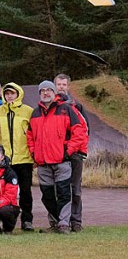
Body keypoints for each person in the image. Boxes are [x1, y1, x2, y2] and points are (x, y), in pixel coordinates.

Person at [27, 80, 85, 234]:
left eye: (49, 90)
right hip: (43, 163)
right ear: (39, 93)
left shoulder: (65, 109)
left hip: (62, 162)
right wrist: (34, 153)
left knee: (64, 193)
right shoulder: (35, 113)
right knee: (47, 195)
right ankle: (54, 223)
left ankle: (64, 224)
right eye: (43, 91)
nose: (46, 93)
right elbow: (30, 136)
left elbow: (79, 132)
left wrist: (67, 151)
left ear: (54, 93)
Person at [0, 82, 36, 230]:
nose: (10, 96)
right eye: (7, 93)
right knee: (5, 192)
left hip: (24, 158)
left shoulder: (28, 111)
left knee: (25, 192)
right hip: (5, 160)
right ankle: (7, 220)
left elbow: (33, 134)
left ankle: (27, 220)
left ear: (18, 94)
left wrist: (34, 154)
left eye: (12, 93)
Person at [55, 73, 89, 232]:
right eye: (58, 84)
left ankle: (76, 220)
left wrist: (76, 149)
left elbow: (84, 130)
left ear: (68, 87)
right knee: (60, 189)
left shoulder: (77, 106)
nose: (61, 87)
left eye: (64, 85)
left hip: (74, 154)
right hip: (57, 154)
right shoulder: (51, 106)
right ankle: (61, 221)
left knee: (75, 188)